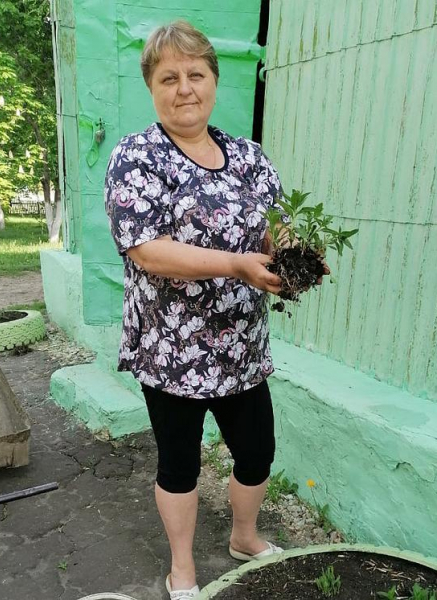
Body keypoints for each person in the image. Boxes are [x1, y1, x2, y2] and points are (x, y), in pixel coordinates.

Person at [104, 20, 310, 600]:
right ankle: (183, 569)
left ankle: (244, 536)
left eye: (196, 74)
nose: (184, 88)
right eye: (169, 77)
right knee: (180, 465)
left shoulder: (247, 157)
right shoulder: (136, 157)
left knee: (256, 451)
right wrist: (237, 264)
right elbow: (147, 250)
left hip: (241, 346)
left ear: (215, 81)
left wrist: (291, 256)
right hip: (173, 348)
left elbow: (274, 226)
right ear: (152, 87)